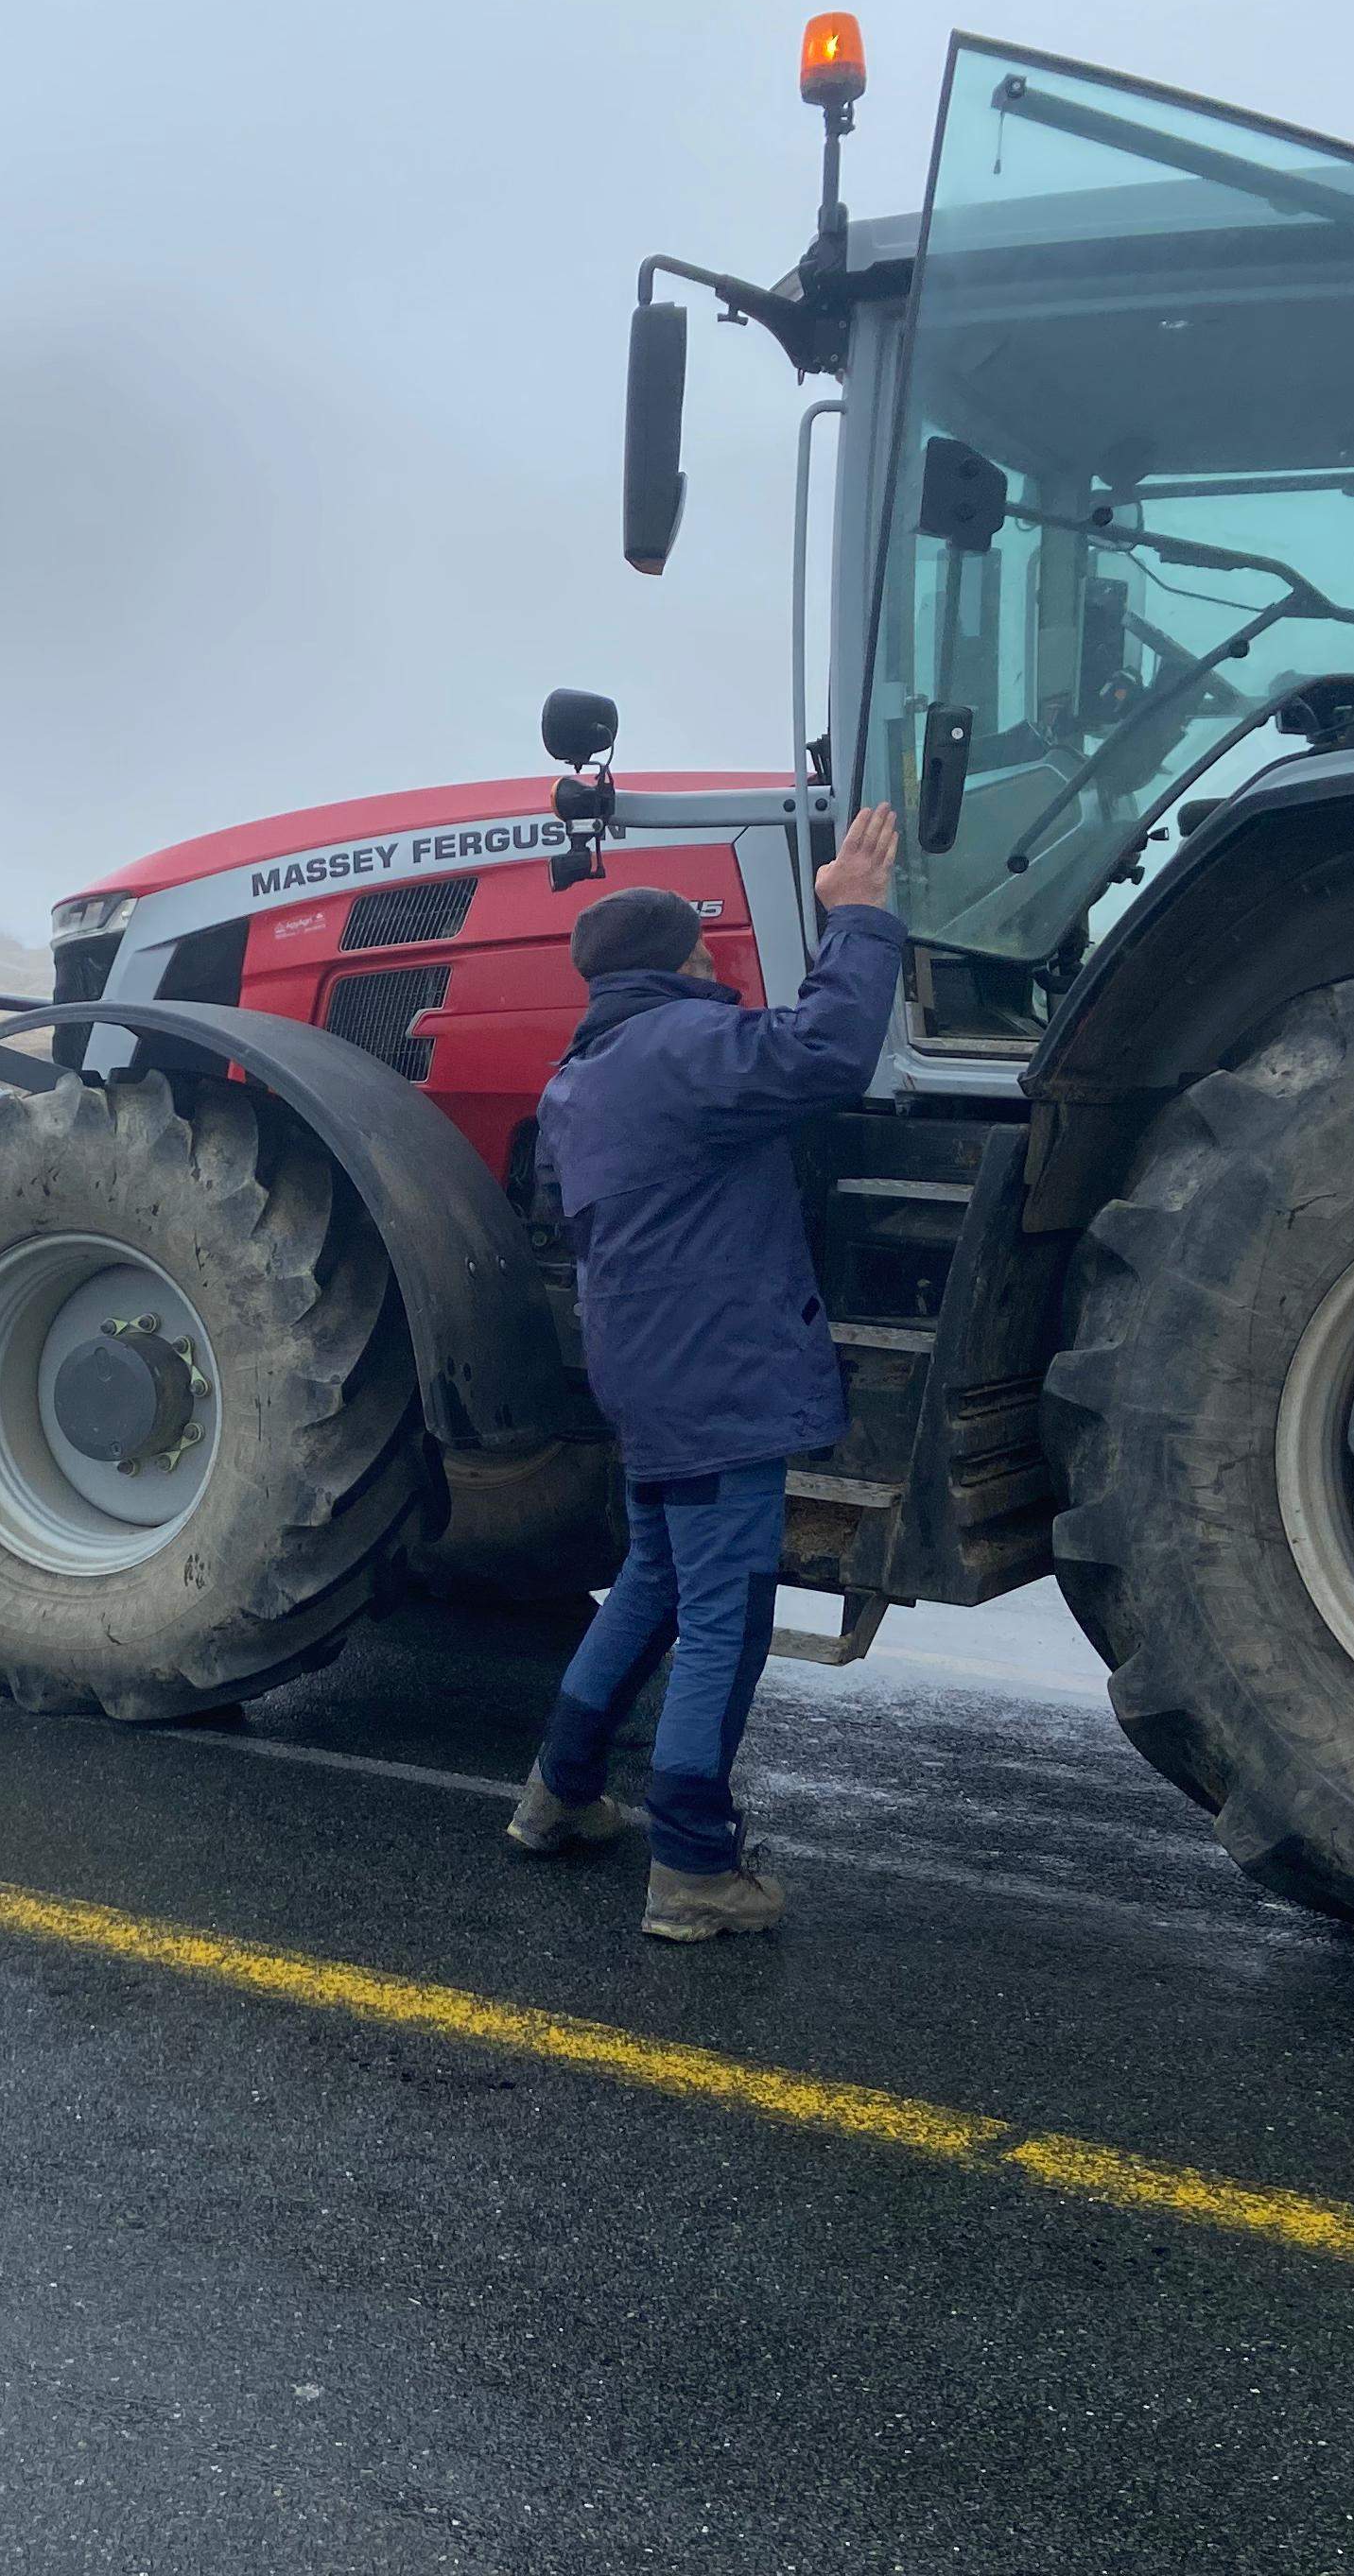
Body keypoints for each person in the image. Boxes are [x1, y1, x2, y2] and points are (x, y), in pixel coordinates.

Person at [507, 806, 908, 1943]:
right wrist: (859, 918)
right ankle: (691, 1870)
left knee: (652, 1585)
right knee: (724, 1611)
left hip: (640, 1374)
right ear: (689, 959)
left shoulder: (574, 1083)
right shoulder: (686, 1048)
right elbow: (827, 1052)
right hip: (721, 1379)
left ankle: (558, 1796)